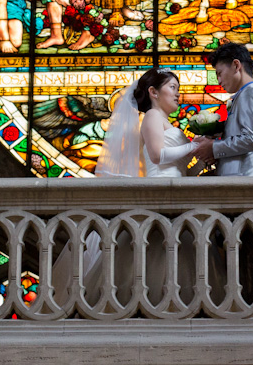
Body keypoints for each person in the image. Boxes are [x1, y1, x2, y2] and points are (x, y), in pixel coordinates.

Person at [84, 69, 225, 307]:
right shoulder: (151, 116)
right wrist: (193, 146)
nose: (178, 94)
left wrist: (203, 158)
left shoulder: (166, 122)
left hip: (178, 193)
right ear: (153, 92)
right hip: (160, 192)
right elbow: (157, 155)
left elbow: (184, 172)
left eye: (177, 89)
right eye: (172, 88)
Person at [193, 43, 253, 177]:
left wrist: (213, 147)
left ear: (236, 65)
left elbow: (251, 139)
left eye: (220, 73)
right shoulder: (243, 95)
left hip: (246, 181)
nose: (218, 80)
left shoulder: (250, 94)